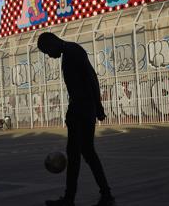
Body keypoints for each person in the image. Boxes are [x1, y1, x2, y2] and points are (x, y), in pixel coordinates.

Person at [38, 32, 114, 206]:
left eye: (48, 51)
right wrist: (95, 106)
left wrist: (97, 106)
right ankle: (105, 194)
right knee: (87, 153)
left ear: (52, 43)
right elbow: (87, 81)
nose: (50, 56)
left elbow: (91, 78)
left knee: (75, 156)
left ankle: (71, 198)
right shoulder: (71, 52)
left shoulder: (72, 52)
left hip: (81, 111)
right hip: (82, 109)